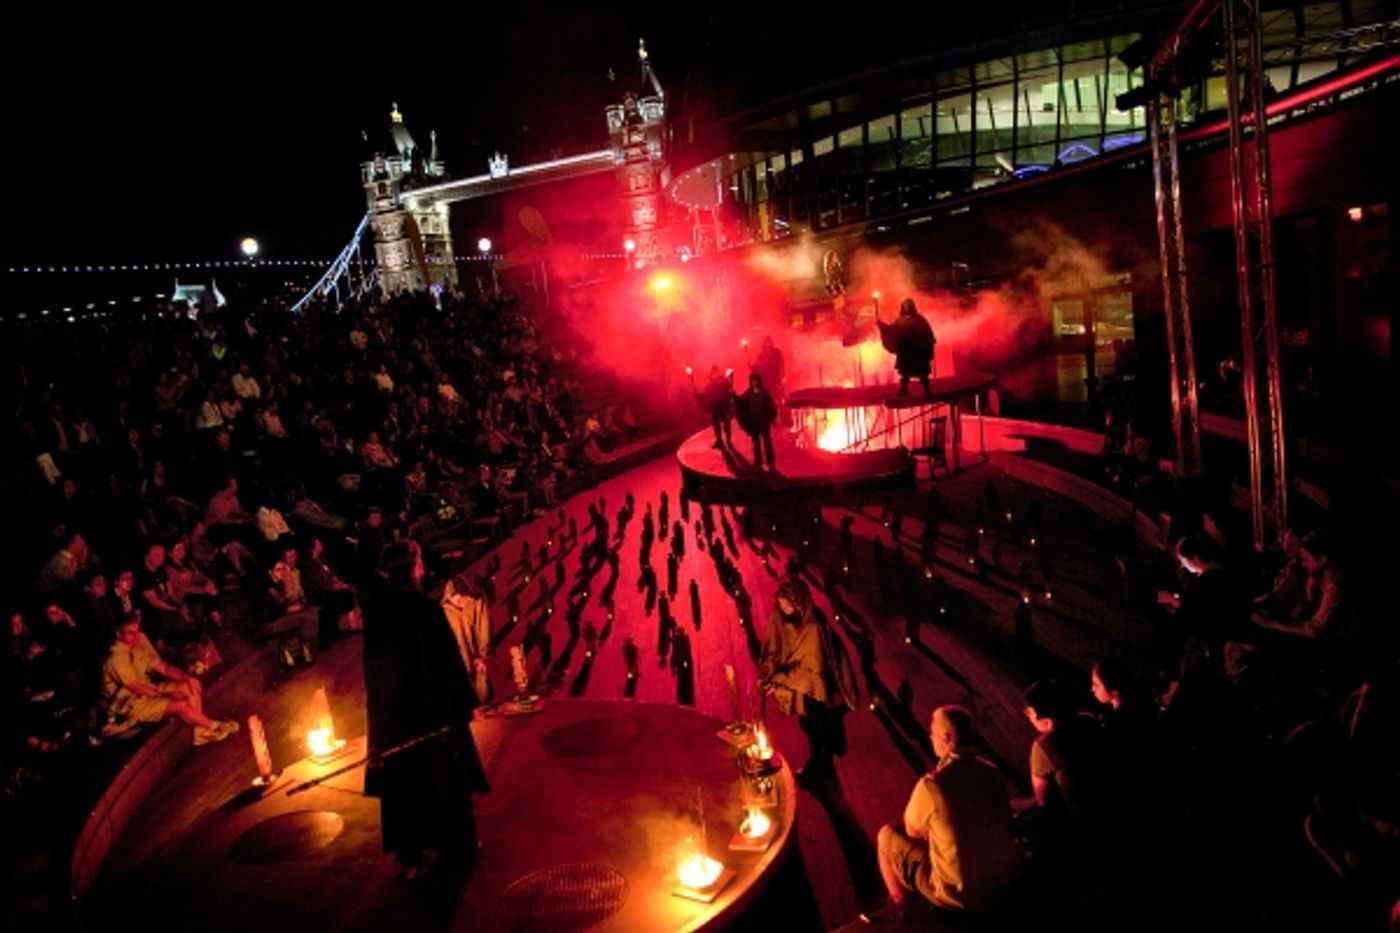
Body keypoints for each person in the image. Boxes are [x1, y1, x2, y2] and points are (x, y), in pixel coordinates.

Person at [361, 541, 489, 879]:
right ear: (416, 567)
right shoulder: (427, 610)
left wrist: (380, 726)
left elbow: (374, 675)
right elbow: (447, 663)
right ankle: (458, 847)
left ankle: (410, 857)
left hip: (396, 718)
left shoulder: (377, 616)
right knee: (446, 781)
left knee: (405, 786)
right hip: (433, 715)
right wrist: (464, 706)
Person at [876, 706, 1022, 913]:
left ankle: (901, 906)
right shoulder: (990, 770)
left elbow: (913, 832)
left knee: (886, 836)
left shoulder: (933, 784)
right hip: (1003, 877)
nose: (930, 736)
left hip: (960, 893)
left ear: (945, 739)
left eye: (932, 733)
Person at [760, 577, 858, 784]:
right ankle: (819, 763)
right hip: (807, 690)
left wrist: (780, 679)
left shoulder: (813, 627)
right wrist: (773, 676)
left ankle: (820, 767)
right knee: (808, 726)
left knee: (818, 730)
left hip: (820, 693)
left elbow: (811, 668)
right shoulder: (795, 620)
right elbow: (784, 650)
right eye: (781, 605)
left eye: (788, 605)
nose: (784, 609)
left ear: (799, 602)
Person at [100, 612, 238, 745]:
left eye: (137, 631)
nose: (137, 636)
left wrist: (188, 678)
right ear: (118, 634)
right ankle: (215, 726)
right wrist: (166, 694)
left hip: (149, 689)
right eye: (131, 633)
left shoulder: (137, 644)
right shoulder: (116, 658)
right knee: (181, 703)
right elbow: (136, 688)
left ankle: (200, 732)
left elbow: (164, 668)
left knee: (188, 686)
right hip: (129, 703)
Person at [441, 573, 493, 703]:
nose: (460, 602)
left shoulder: (476, 603)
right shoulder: (444, 611)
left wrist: (482, 654)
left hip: (475, 658)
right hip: (456, 663)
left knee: (482, 695)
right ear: (449, 597)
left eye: (462, 598)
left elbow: (483, 628)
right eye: (456, 598)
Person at [877, 298, 936, 396]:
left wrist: (926, 347)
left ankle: (927, 390)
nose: (907, 307)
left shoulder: (919, 319)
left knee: (922, 371)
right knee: (904, 371)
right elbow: (893, 330)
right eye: (905, 306)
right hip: (905, 350)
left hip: (918, 350)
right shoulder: (900, 320)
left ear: (912, 306)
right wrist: (882, 326)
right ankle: (904, 390)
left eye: (908, 305)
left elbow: (927, 334)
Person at [733, 372, 779, 471]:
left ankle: (770, 463)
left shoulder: (765, 393)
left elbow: (770, 406)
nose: (755, 383)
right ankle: (758, 463)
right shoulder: (749, 393)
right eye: (753, 381)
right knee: (756, 444)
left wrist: (773, 418)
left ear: (759, 381)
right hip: (754, 423)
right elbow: (741, 403)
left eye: (756, 381)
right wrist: (734, 395)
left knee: (767, 442)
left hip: (764, 422)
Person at [694, 366, 734, 449]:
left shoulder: (724, 382)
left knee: (726, 424)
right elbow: (705, 393)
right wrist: (698, 394)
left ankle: (728, 441)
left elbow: (729, 390)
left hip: (723, 406)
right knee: (717, 424)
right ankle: (720, 440)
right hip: (716, 407)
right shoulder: (712, 384)